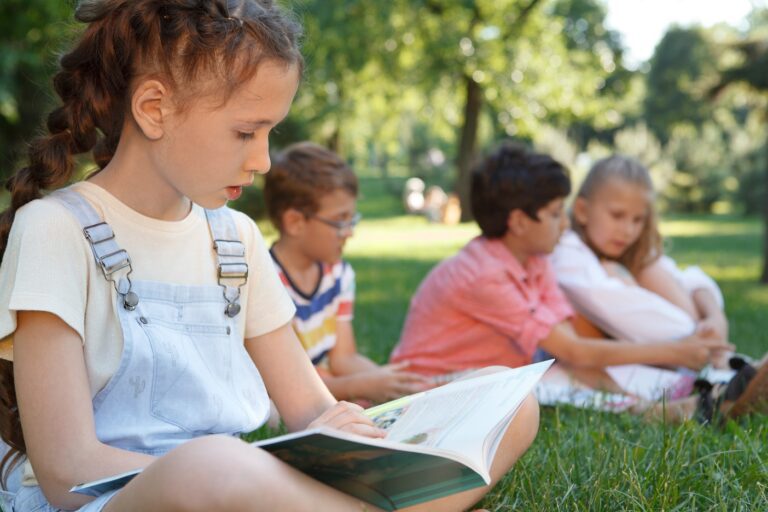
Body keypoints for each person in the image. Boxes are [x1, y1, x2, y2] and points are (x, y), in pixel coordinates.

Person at [0, 2, 538, 511]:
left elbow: (309, 406)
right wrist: (233, 475)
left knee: (507, 400)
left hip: (241, 486)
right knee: (209, 463)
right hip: (120, 496)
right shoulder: (55, 229)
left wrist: (339, 425)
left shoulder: (236, 238)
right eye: (244, 132)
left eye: (269, 132)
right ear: (154, 109)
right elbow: (66, 469)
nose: (262, 159)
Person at [390, 142, 733, 388]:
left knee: (573, 371)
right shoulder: (484, 274)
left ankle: (707, 389)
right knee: (562, 378)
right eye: (556, 214)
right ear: (519, 222)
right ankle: (693, 397)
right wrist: (677, 350)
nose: (565, 224)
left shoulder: (536, 260)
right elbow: (575, 350)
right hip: (433, 387)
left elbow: (573, 343)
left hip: (508, 372)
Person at [264, 142, 431, 404]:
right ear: (295, 222)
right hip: (278, 395)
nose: (349, 232)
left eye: (352, 220)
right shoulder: (266, 283)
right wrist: (360, 386)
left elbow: (344, 358)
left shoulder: (338, 275)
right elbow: (281, 385)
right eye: (340, 221)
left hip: (322, 383)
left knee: (367, 401)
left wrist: (392, 384)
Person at [551, 155, 728, 351]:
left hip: (664, 356)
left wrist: (715, 318)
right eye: (617, 215)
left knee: (648, 265)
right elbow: (677, 329)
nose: (628, 231)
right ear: (582, 210)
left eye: (638, 220)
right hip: (602, 369)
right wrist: (628, 283)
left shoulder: (628, 252)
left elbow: (692, 279)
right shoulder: (568, 256)